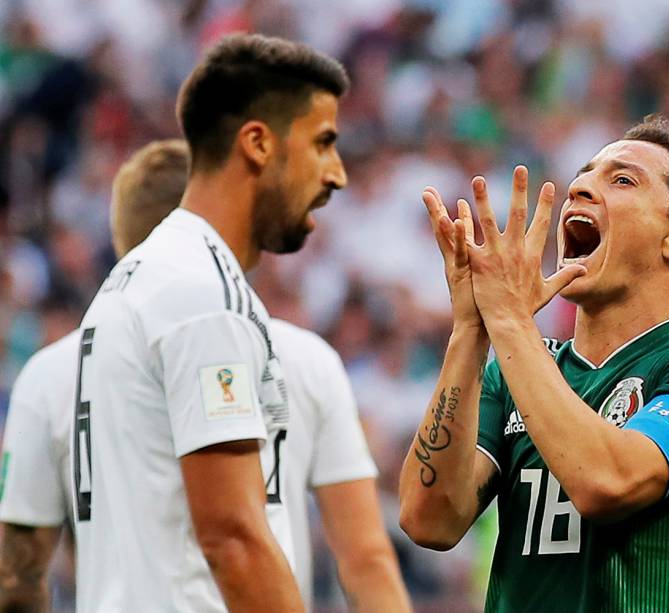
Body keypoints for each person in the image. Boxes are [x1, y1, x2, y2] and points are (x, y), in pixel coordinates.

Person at [0, 138, 411, 611]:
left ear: (122, 239)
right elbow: (365, 557)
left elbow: (20, 571)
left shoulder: (49, 374)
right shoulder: (309, 359)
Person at [399, 115, 669, 612]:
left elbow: (609, 480)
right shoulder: (517, 370)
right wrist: (472, 330)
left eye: (622, 179)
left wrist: (509, 320)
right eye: (584, 175)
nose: (580, 188)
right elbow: (429, 520)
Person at [72, 34, 348, 612]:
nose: (337, 174)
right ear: (257, 143)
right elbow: (233, 539)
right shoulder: (202, 293)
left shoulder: (141, 276)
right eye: (323, 144)